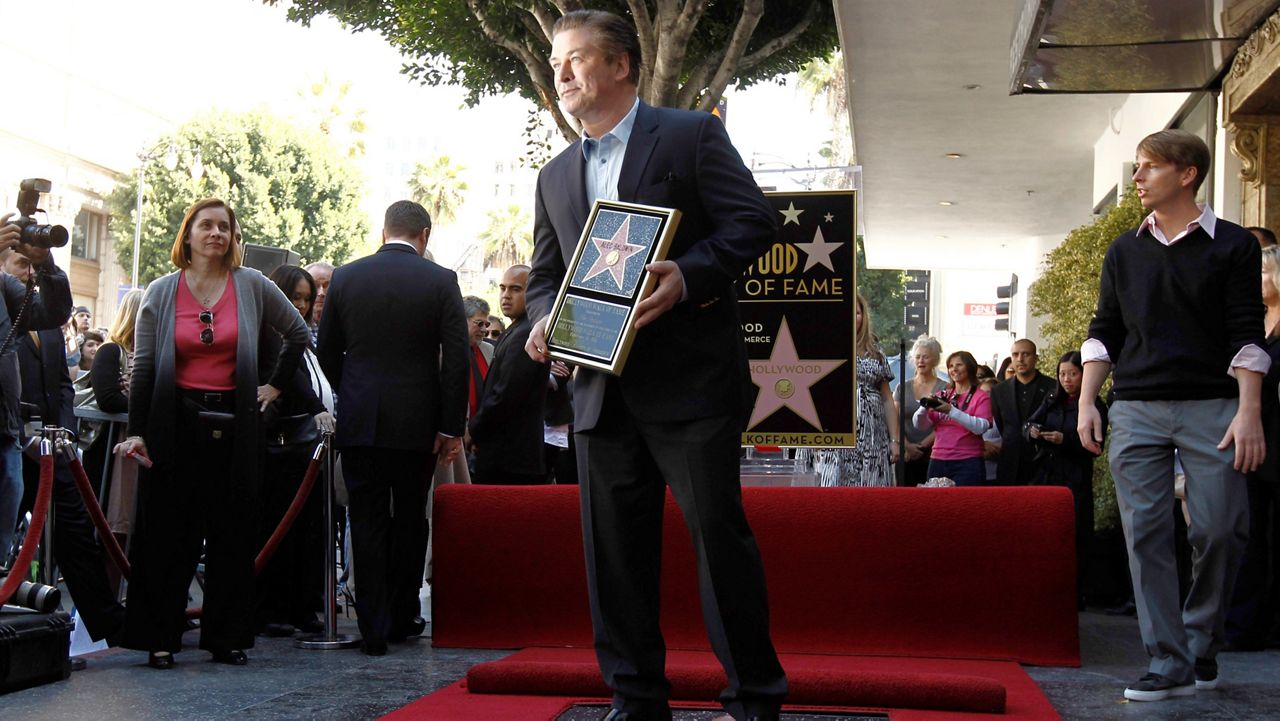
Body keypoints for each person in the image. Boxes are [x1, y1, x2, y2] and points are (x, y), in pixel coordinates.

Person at [524, 10, 786, 719]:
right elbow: (546, 274)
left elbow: (752, 222)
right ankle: (635, 697)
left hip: (692, 385)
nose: (563, 74)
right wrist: (543, 319)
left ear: (621, 65)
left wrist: (691, 273)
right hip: (597, 394)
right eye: (555, 64)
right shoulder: (553, 176)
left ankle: (754, 699)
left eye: (576, 59)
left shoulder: (691, 134)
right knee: (614, 558)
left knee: (718, 542)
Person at [1077, 129, 1265, 701]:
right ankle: (1166, 659)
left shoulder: (1233, 245)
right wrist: (1088, 399)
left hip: (1215, 407)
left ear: (1186, 174)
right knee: (1146, 535)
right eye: (1136, 168)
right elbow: (1105, 330)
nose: (1135, 179)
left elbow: (1246, 335)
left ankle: (1199, 638)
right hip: (1135, 408)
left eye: (1147, 168)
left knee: (1220, 529)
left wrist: (1249, 411)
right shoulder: (1124, 250)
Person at [114, 198, 310, 669]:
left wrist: (274, 386)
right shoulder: (161, 292)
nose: (216, 234)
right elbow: (143, 368)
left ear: (233, 237)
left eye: (225, 227)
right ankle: (160, 638)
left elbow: (300, 333)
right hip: (172, 421)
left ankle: (227, 638)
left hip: (236, 423)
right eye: (207, 225)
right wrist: (137, 432)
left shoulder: (253, 285)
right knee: (166, 534)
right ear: (188, 234)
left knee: (233, 533)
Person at [316, 200, 468, 657]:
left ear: (384, 232)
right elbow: (456, 360)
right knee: (409, 518)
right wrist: (450, 426)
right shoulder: (441, 280)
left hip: (361, 420)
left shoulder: (345, 276)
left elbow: (327, 354)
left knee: (365, 520)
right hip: (417, 423)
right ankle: (404, 615)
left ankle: (373, 626)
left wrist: (356, 394)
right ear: (424, 233)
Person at [2, 246, 123, 646]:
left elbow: (62, 385)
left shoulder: (50, 322)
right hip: (14, 443)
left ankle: (109, 625)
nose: (28, 274)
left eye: (34, 266)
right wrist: (23, 435)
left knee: (77, 533)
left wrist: (65, 432)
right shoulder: (6, 313)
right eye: (21, 264)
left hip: (55, 448)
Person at [257, 265, 336, 637]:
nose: (302, 306)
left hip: (308, 447)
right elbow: (290, 381)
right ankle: (275, 607)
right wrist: (318, 409)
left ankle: (302, 604)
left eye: (306, 299)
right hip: (281, 447)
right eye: (296, 297)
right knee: (280, 530)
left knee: (307, 533)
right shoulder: (272, 337)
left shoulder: (305, 339)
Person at [0, 213, 73, 574]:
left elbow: (55, 311)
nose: (28, 272)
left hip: (8, 431)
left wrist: (46, 260)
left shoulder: (12, 293)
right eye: (22, 262)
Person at [1225, 243, 1280, 650]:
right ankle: (1243, 627)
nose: (1255, 280)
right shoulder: (1253, 323)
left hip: (1275, 438)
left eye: (1261, 273)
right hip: (1253, 439)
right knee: (1248, 534)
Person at [1024, 351, 1107, 609]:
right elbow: (1028, 423)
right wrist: (1032, 431)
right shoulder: (1052, 399)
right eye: (1062, 374)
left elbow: (1097, 444)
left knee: (1075, 534)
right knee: (1042, 531)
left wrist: (1067, 440)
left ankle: (1076, 592)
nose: (1067, 379)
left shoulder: (1094, 405)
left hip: (1074, 475)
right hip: (1046, 474)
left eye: (1073, 374)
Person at [798, 294, 899, 486]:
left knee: (868, 491)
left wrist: (894, 440)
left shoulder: (876, 352)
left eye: (858, 312)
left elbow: (887, 398)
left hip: (872, 439)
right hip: (832, 435)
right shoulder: (822, 348)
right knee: (831, 486)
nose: (854, 316)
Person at [469, 265, 549, 485]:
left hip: (511, 458)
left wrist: (474, 430)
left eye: (515, 289)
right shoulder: (516, 329)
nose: (506, 295)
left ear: (532, 292)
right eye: (503, 288)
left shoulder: (527, 333)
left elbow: (504, 395)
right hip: (505, 454)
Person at [912, 351, 993, 486]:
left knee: (965, 505)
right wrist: (924, 407)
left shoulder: (981, 396)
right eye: (950, 366)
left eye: (959, 365)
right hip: (938, 459)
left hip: (968, 460)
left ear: (970, 367)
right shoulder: (944, 395)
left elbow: (981, 428)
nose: (953, 369)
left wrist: (951, 411)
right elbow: (920, 425)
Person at [990, 339, 1058, 485]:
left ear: (1036, 358)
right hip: (1010, 461)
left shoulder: (1052, 387)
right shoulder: (999, 390)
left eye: (1025, 354)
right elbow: (1002, 424)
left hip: (1042, 460)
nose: (1020, 359)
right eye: (1015, 355)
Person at [895, 335, 946, 485]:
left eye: (925, 357)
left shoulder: (944, 387)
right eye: (917, 357)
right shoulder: (902, 387)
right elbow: (894, 420)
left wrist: (923, 445)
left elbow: (945, 423)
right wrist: (907, 446)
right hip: (905, 453)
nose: (921, 361)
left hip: (934, 452)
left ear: (935, 360)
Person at [303, 261, 333, 345]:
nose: (321, 293)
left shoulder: (346, 325)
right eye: (315, 285)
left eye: (327, 286)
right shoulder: (294, 326)